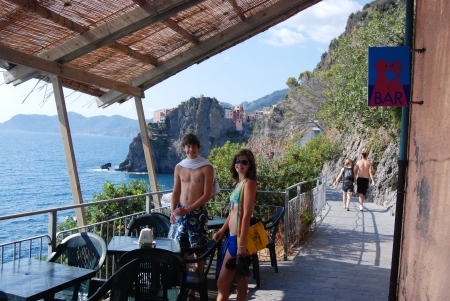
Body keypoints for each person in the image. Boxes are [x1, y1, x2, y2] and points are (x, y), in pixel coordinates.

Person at [170, 133, 220, 301]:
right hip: (180, 213)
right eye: (188, 146)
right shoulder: (179, 167)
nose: (191, 149)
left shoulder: (207, 167)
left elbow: (207, 195)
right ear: (184, 147)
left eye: (194, 146)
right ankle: (184, 284)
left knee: (198, 250)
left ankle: (194, 290)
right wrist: (172, 211)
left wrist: (189, 209)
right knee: (181, 249)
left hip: (197, 214)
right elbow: (176, 191)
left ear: (198, 147)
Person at [213, 149, 257, 301]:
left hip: (238, 240)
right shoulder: (239, 184)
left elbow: (245, 216)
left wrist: (242, 244)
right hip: (232, 238)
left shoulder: (249, 184)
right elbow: (233, 213)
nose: (240, 164)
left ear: (250, 165)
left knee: (223, 281)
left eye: (244, 161)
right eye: (238, 161)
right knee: (240, 280)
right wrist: (222, 230)